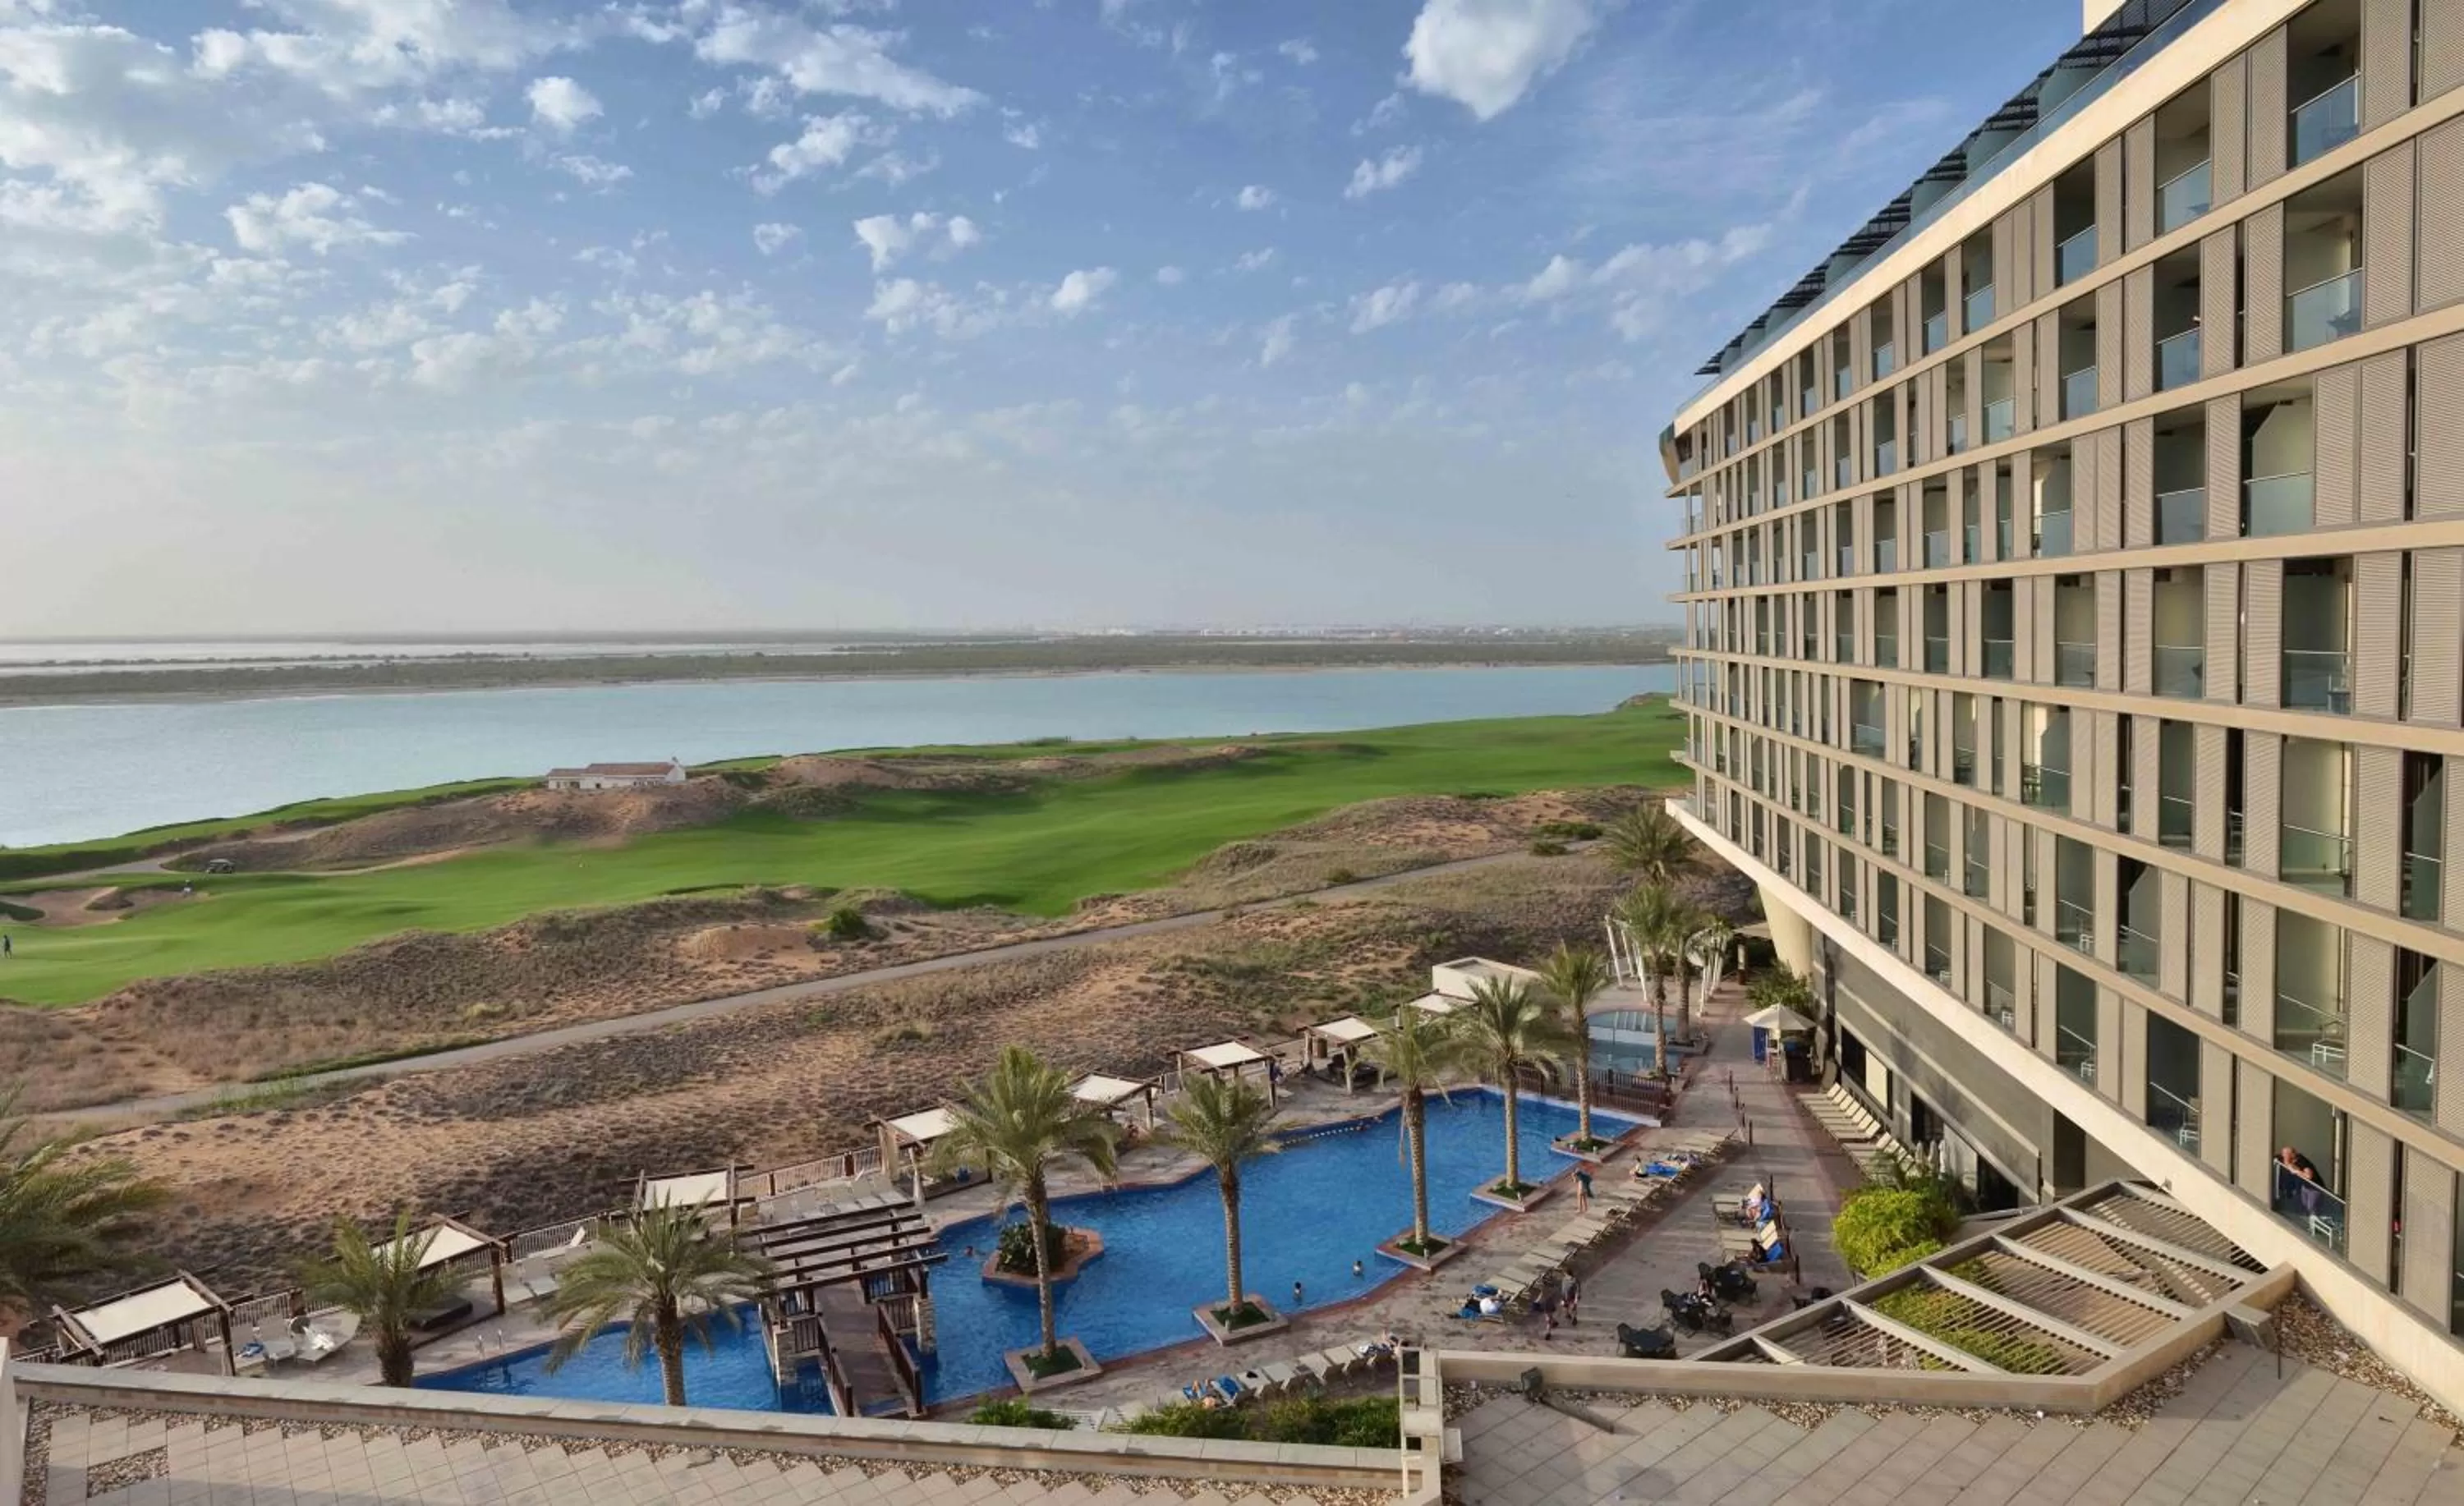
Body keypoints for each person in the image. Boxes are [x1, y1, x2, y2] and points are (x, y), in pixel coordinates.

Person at [2278, 1145, 2324, 1215]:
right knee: (2304, 1205)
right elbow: (2287, 1164)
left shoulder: (2302, 1162)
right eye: (2283, 1154)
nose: (2283, 1156)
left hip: (2315, 1188)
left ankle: (2315, 1223)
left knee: (2311, 1207)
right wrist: (2288, 1164)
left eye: (2286, 1154)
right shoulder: (2292, 1160)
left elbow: (2309, 1176)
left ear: (2292, 1155)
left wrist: (2297, 1172)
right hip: (2305, 1187)